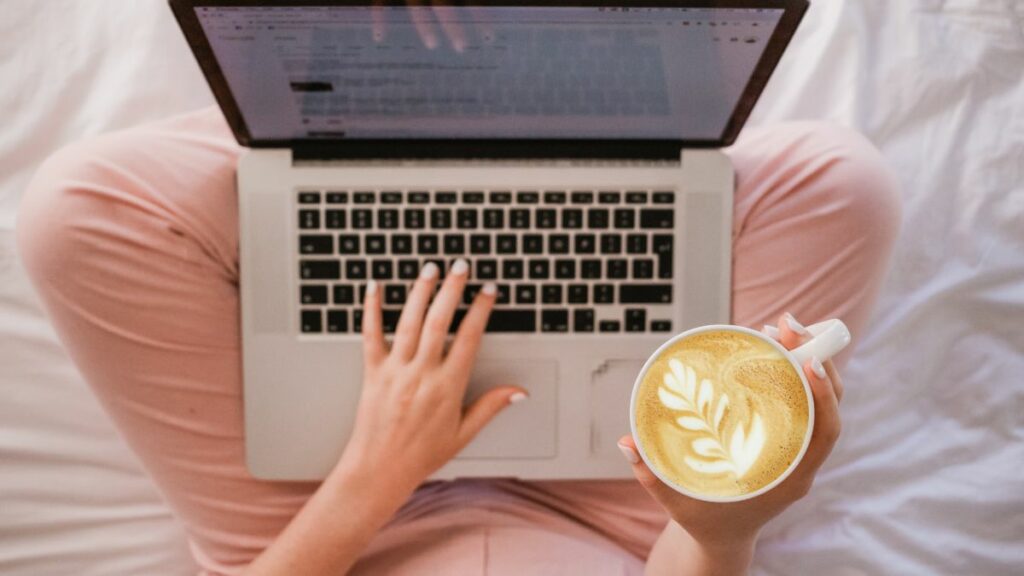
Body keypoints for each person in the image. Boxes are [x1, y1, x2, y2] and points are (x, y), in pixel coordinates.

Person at [16, 106, 901, 575]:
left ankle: (364, 117)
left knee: (79, 210)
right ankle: (562, 115)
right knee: (841, 183)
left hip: (325, 526)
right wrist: (722, 530)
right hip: (632, 532)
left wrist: (373, 475)